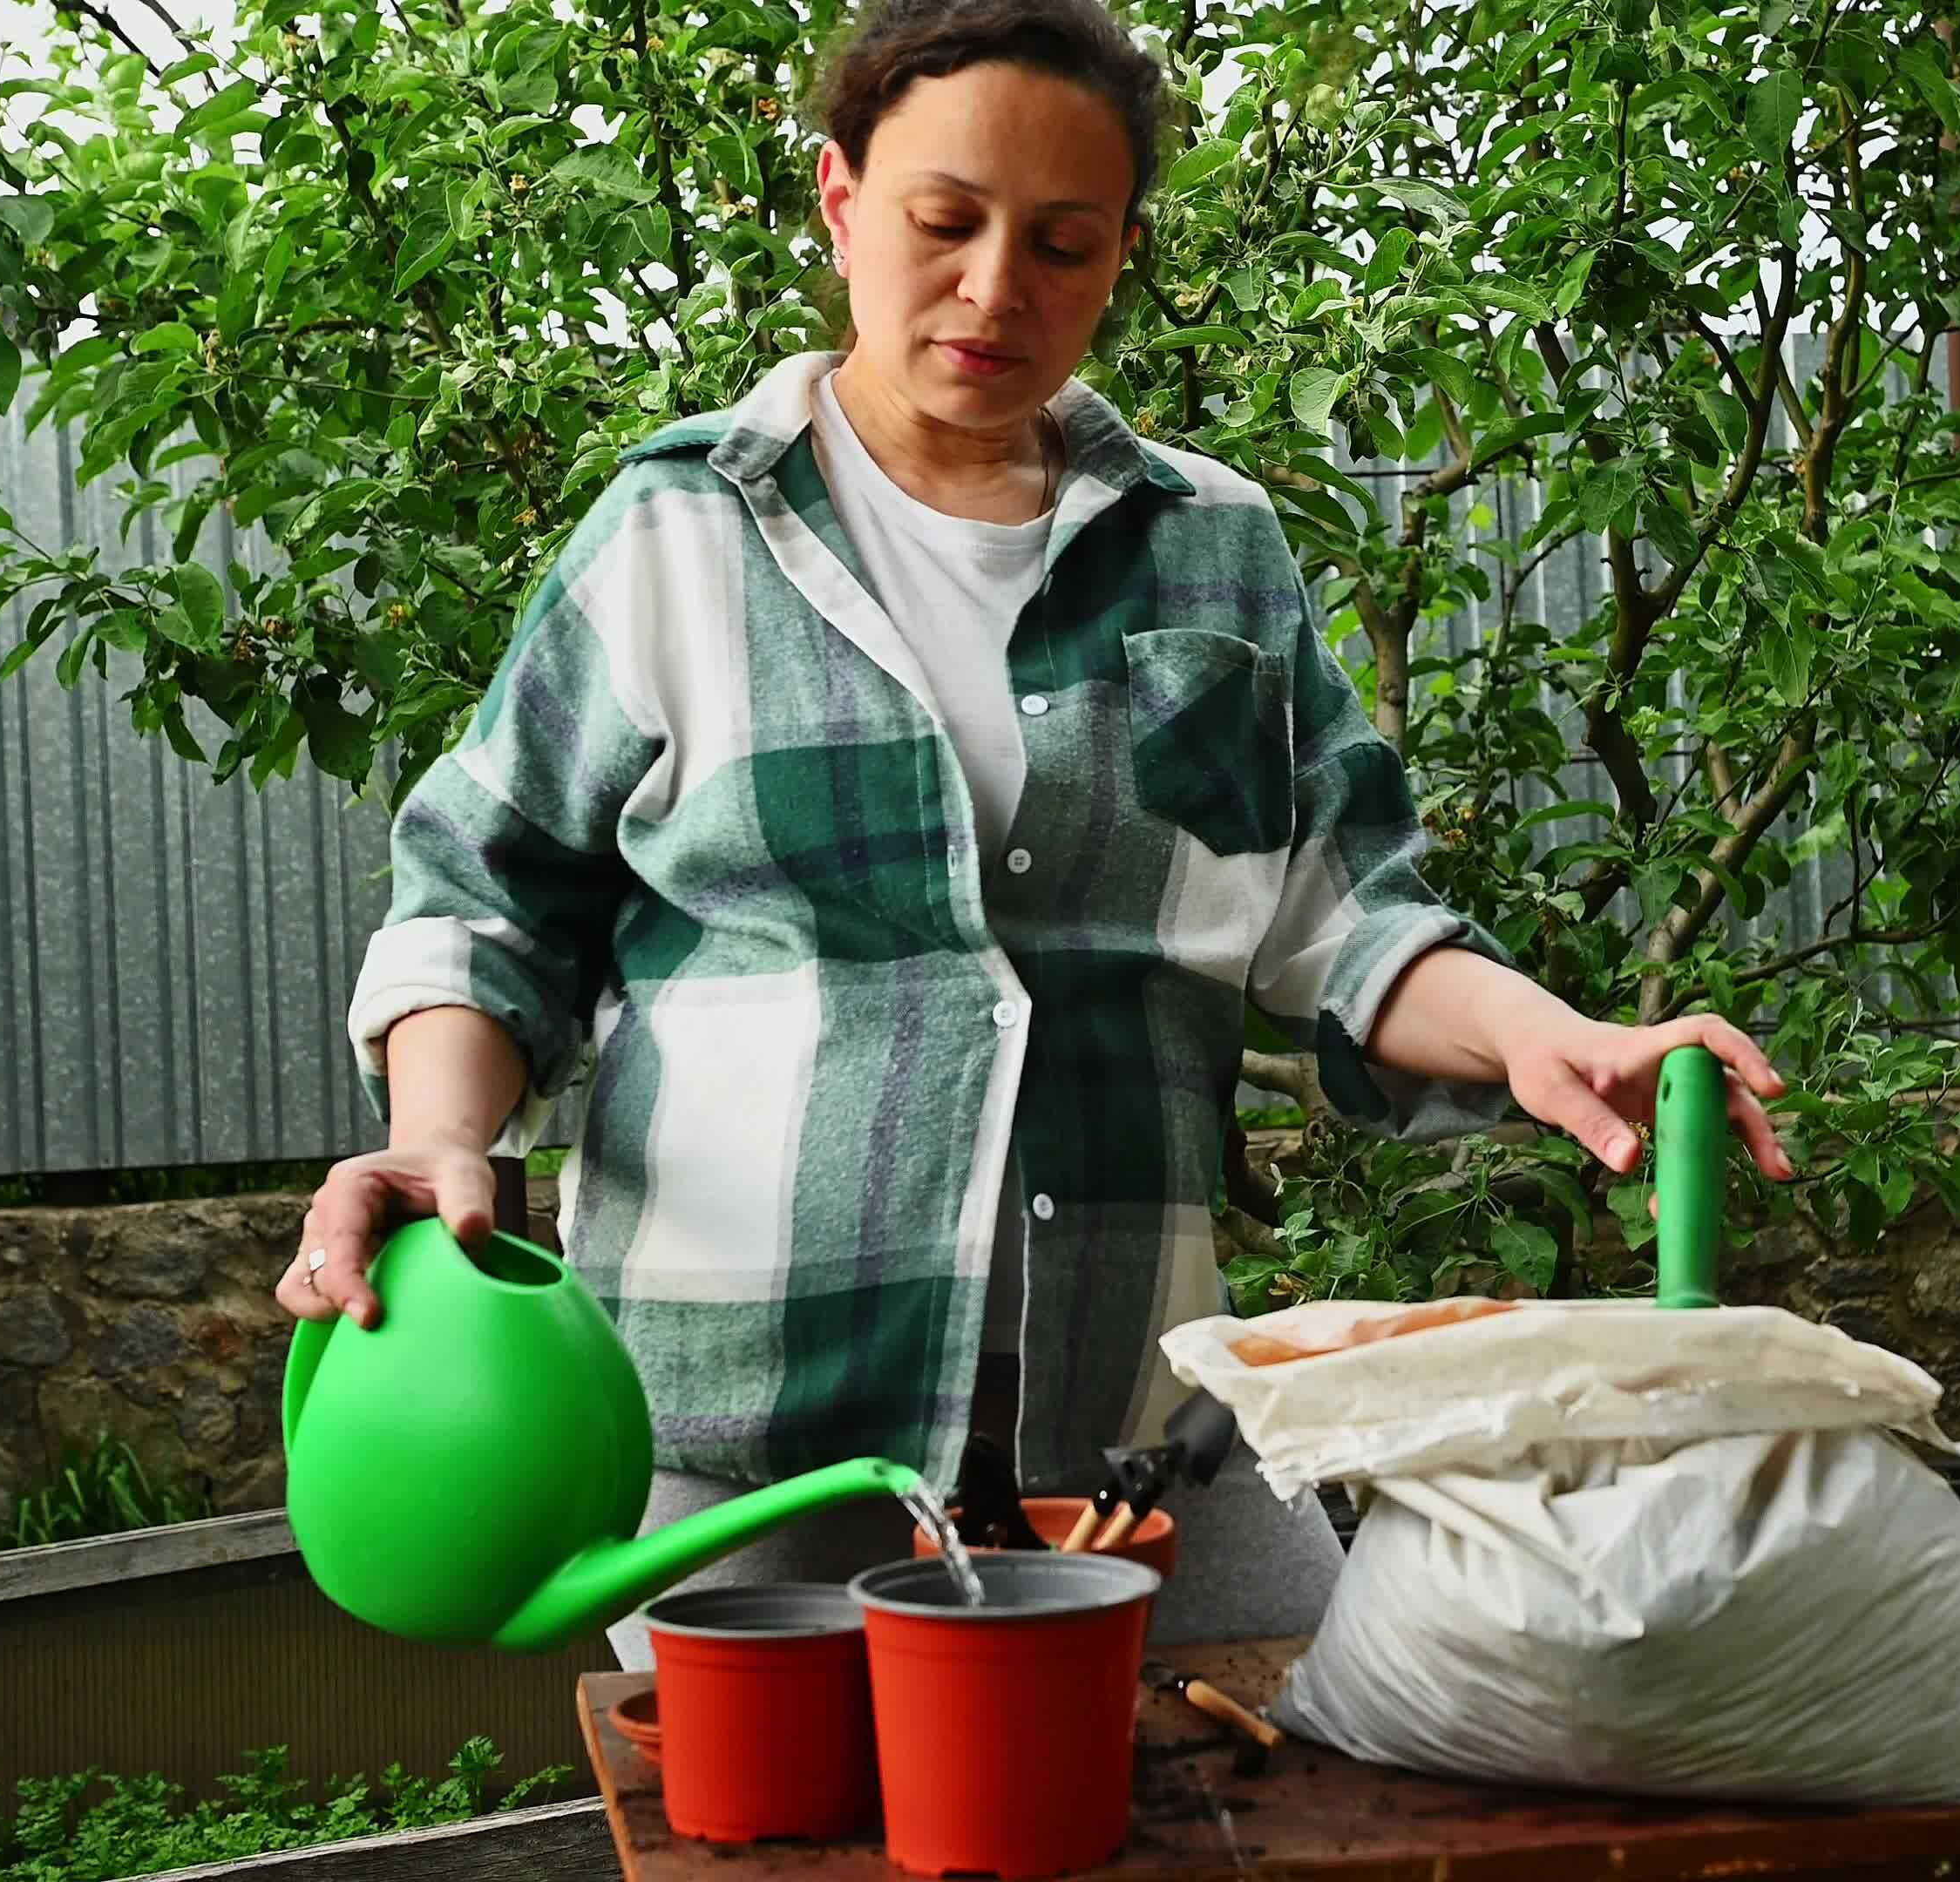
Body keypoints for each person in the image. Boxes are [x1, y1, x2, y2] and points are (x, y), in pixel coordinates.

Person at [276, 0, 1794, 1670]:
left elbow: (1337, 915)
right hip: (755, 1440)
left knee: (1283, 1787)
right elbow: (488, 897)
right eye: (946, 223)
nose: (998, 289)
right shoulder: (680, 532)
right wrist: (443, 1136)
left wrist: (1545, 1035)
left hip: (1134, 1425)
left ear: (1120, 256)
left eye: (1063, 246)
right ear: (843, 200)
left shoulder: (1210, 547)